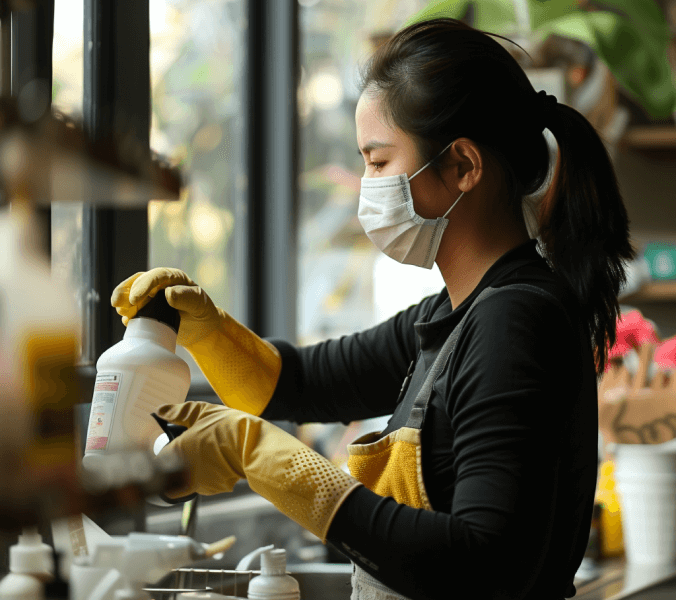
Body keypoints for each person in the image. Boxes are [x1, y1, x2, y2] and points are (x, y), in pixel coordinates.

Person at [112, 18, 634, 600]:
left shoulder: (512, 323)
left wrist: (260, 457)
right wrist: (205, 329)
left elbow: (486, 560)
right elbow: (297, 383)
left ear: (462, 165)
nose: (366, 186)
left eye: (379, 162)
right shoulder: (452, 315)